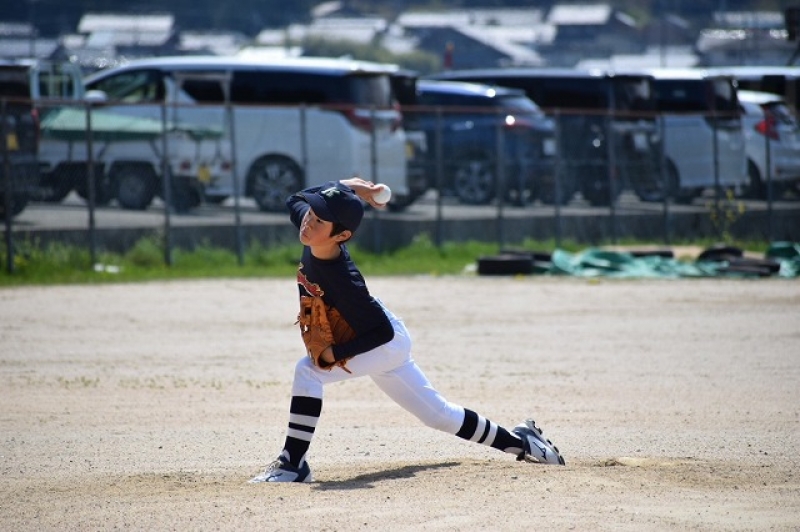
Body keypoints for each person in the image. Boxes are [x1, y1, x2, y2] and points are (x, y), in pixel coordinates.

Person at [250, 177, 565, 483]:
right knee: (438, 415)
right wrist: (351, 187)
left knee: (308, 371)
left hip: (381, 342)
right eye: (312, 212)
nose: (308, 221)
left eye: (319, 220)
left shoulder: (344, 281)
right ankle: (522, 442)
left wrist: (337, 353)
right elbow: (295, 199)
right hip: (380, 337)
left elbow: (382, 333)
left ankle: (293, 464)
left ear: (341, 235)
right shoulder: (312, 229)